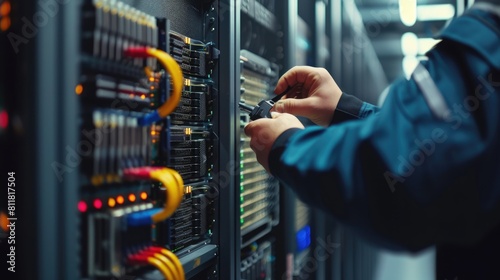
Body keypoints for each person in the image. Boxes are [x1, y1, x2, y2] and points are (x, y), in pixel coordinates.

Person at [244, 0, 500, 256]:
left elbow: (402, 176)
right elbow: (434, 144)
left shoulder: (489, 34)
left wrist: (287, 146)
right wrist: (343, 109)